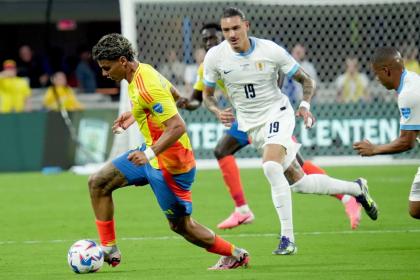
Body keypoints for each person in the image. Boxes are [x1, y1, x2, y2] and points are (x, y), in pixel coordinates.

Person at [202, 7, 378, 255]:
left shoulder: (270, 50)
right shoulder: (215, 57)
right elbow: (207, 96)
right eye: (226, 30)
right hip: (252, 126)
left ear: (246, 26)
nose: (231, 34)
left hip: (279, 114)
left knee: (270, 167)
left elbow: (307, 80)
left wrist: (304, 105)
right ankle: (356, 189)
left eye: (235, 28)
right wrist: (217, 111)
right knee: (300, 183)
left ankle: (288, 239)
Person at [178, 23, 361, 230]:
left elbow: (278, 69)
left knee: (297, 169)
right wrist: (184, 103)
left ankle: (348, 197)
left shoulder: (253, 53)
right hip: (246, 120)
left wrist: (270, 105)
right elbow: (197, 99)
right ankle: (242, 210)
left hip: (269, 118)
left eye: (214, 37)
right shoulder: (209, 65)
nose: (210, 42)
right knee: (221, 150)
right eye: (206, 39)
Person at [90, 33, 249, 270]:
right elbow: (172, 93)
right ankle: (109, 249)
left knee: (181, 226)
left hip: (172, 165)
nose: (104, 73)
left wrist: (149, 154)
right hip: (151, 154)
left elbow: (177, 126)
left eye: (106, 67)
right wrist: (137, 114)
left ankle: (236, 254)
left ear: (122, 61)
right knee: (98, 183)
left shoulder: (146, 86)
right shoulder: (143, 71)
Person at [353, 47, 420, 219]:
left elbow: (407, 142)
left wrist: (374, 149)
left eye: (377, 74)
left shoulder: (408, 94)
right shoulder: (411, 82)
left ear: (387, 71)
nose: (377, 79)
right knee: (416, 209)